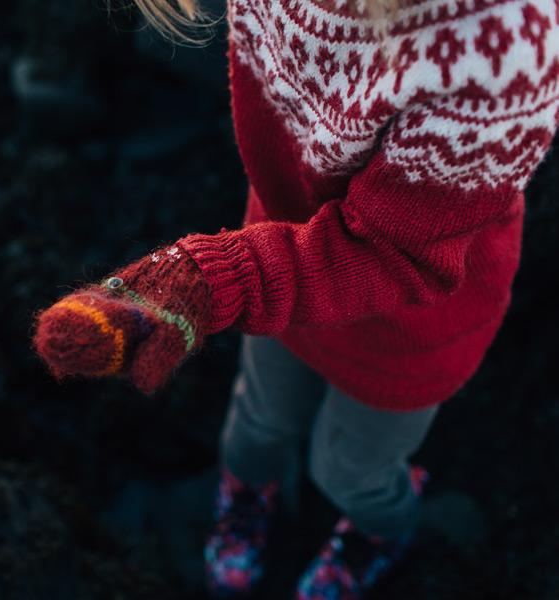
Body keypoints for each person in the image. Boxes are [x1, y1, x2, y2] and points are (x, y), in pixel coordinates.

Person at [33, 0, 559, 596]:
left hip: (412, 323)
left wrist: (211, 281)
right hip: (283, 255)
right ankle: (246, 499)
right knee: (256, 423)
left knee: (350, 472)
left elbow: (398, 255)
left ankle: (379, 529)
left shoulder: (500, 47)